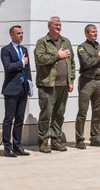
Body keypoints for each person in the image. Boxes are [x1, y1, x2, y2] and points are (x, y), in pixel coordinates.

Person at [34, 16, 75, 153]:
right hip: (48, 85)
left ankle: (56, 140)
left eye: (59, 24)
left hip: (63, 85)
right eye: (56, 25)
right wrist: (58, 56)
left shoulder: (66, 41)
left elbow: (72, 62)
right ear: (49, 26)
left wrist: (71, 80)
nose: (58, 27)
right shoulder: (42, 42)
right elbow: (40, 59)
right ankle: (43, 141)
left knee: (59, 114)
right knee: (46, 114)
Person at [1, 24, 33, 157]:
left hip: (23, 88)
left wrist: (29, 85)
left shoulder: (24, 49)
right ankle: (7, 147)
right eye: (18, 33)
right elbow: (8, 66)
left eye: (22, 33)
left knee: (20, 118)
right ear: (11, 35)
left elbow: (27, 69)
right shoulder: (6, 50)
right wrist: (21, 62)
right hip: (11, 89)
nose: (21, 35)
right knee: (9, 119)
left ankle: (17, 145)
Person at [75, 24, 100, 149]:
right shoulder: (82, 47)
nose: (95, 34)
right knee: (83, 111)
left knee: (97, 112)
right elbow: (86, 63)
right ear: (86, 33)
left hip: (99, 81)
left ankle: (95, 138)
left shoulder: (99, 47)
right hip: (87, 81)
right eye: (93, 32)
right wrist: (97, 58)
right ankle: (79, 139)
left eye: (96, 31)